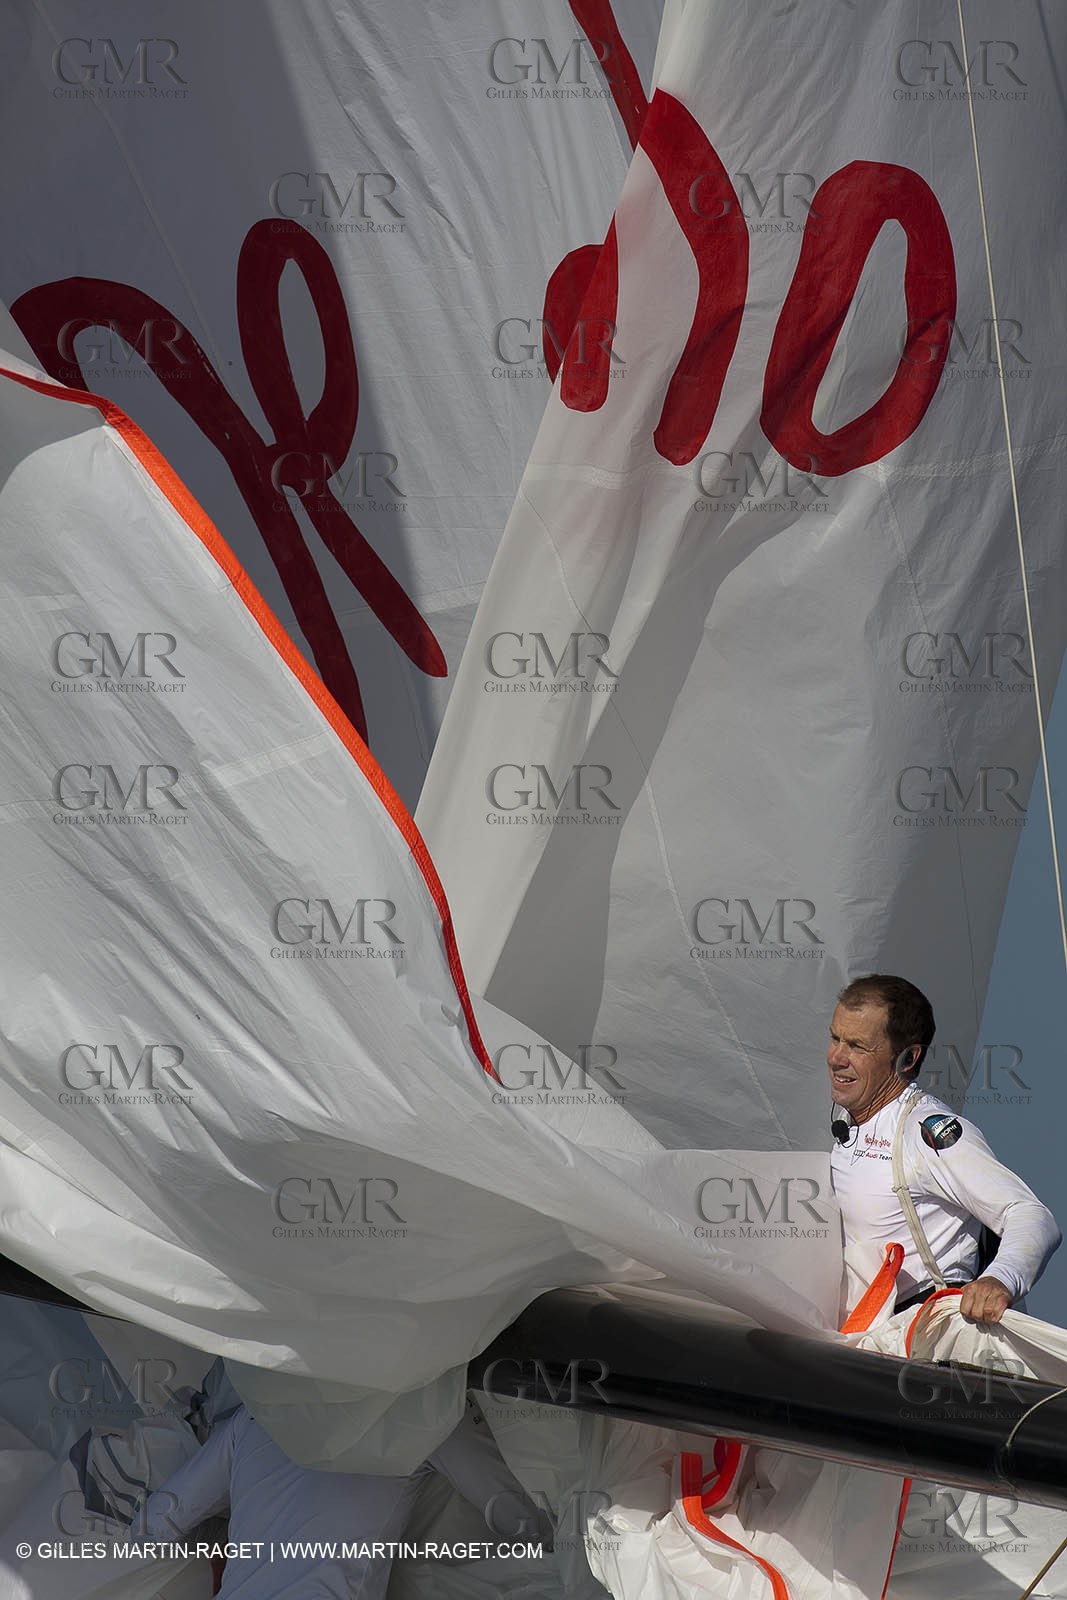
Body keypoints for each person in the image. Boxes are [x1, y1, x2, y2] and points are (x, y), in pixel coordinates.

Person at [141, 1396, 551, 1599]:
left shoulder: (254, 1416)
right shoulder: (429, 1411)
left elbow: (151, 1527)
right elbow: (520, 1517)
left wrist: (228, 1545)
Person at [827, 973, 1060, 1326]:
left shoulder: (928, 1133)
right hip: (861, 1337)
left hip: (927, 1338)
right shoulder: (848, 1123)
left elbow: (1031, 1214)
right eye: (835, 1038)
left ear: (907, 1059)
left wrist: (1000, 1279)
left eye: (858, 1046)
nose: (836, 1058)